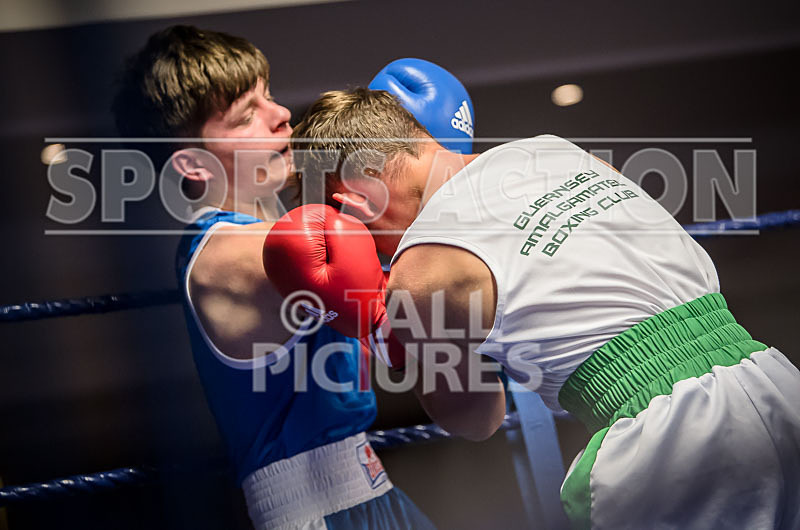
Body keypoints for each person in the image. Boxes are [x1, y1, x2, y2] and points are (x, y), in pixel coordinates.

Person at [281, 86, 800, 528]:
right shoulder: (551, 150)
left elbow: (475, 417)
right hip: (773, 380)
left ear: (353, 202)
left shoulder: (420, 270)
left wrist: (387, 321)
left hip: (669, 447)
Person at [112, 26, 436, 529]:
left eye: (268, 95)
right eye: (246, 115)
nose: (282, 115)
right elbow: (414, 302)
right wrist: (429, 165)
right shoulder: (230, 253)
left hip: (371, 493)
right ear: (193, 165)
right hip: (317, 513)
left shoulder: (280, 231)